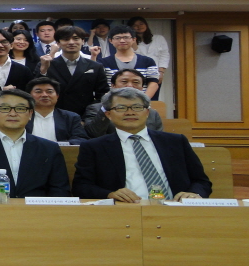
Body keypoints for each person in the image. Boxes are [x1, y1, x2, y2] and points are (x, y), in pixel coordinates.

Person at [72, 88, 211, 202]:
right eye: (121, 108)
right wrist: (109, 194)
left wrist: (194, 194)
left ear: (147, 112)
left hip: (174, 207)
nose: (130, 112)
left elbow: (201, 181)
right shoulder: (94, 147)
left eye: (137, 107)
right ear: (108, 115)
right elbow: (81, 187)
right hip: (123, 210)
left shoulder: (176, 142)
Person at [35, 26, 108, 116]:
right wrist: (43, 70)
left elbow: (102, 94)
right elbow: (36, 88)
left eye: (76, 38)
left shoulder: (95, 66)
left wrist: (90, 115)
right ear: (58, 43)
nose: (71, 42)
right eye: (66, 39)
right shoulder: (47, 64)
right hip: (55, 114)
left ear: (83, 41)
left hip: (85, 115)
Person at [83, 69, 164, 138]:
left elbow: (158, 139)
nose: (130, 86)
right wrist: (106, 106)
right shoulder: (97, 109)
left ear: (142, 88)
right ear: (113, 86)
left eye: (136, 82)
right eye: (124, 81)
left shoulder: (152, 113)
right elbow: (93, 134)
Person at [98, 25, 160, 98]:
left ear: (134, 39)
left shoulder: (148, 61)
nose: (122, 41)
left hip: (140, 102)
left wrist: (143, 100)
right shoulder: (103, 62)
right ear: (111, 40)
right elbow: (100, 84)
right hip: (113, 102)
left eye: (126, 37)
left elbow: (153, 83)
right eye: (117, 38)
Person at [24, 77, 89, 145]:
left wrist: (57, 146)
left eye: (49, 92)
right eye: (38, 92)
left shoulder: (71, 117)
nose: (44, 95)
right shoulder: (21, 115)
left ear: (57, 96)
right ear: (29, 96)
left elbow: (81, 139)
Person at [128, 16, 170, 100]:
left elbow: (164, 55)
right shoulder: (130, 41)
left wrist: (161, 72)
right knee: (136, 97)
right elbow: (133, 55)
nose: (139, 27)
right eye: (135, 25)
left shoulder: (158, 38)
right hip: (137, 73)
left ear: (146, 25)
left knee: (153, 98)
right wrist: (133, 42)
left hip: (155, 72)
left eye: (141, 24)